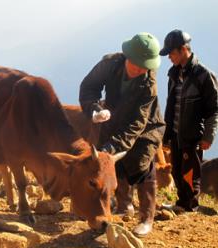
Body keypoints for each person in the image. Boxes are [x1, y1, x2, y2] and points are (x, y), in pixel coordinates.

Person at [79, 32, 165, 237]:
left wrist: (112, 147)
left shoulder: (148, 84)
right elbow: (89, 87)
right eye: (137, 64)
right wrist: (93, 109)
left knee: (142, 162)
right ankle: (123, 205)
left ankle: (146, 217)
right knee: (111, 165)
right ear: (128, 57)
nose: (140, 69)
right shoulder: (110, 65)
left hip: (146, 125)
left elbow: (137, 123)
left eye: (145, 66)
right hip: (113, 116)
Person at [160, 29, 218, 212]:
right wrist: (166, 134)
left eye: (171, 52)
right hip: (176, 133)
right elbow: (171, 106)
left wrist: (208, 135)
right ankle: (181, 203)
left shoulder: (203, 75)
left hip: (193, 135)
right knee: (177, 170)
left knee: (190, 173)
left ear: (183, 49)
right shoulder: (173, 75)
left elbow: (214, 109)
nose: (169, 56)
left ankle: (190, 206)